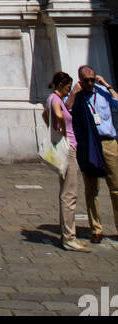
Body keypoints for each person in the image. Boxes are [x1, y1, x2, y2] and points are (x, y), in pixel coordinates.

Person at [68, 66, 118, 244]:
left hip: (108, 142)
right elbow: (67, 112)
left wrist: (107, 85)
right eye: (86, 80)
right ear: (80, 80)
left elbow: (117, 104)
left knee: (116, 188)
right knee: (92, 189)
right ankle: (96, 229)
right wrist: (74, 92)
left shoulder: (103, 92)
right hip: (89, 145)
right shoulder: (78, 96)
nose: (90, 83)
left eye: (92, 79)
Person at [44, 72, 90, 252]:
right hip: (68, 148)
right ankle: (69, 238)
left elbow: (44, 115)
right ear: (61, 86)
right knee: (69, 194)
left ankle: (68, 235)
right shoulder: (56, 100)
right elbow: (59, 115)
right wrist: (62, 130)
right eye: (68, 87)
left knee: (66, 192)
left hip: (62, 148)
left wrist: (53, 129)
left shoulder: (52, 98)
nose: (69, 90)